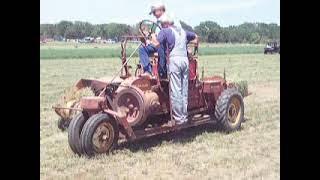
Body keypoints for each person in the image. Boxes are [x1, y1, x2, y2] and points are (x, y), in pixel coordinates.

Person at [150, 13, 198, 125]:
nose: (161, 25)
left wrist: (152, 37)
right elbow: (196, 38)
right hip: (185, 60)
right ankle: (184, 116)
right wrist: (192, 51)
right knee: (184, 89)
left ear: (166, 23)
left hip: (175, 61)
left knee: (176, 90)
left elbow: (157, 44)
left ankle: (179, 119)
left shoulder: (165, 31)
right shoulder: (183, 32)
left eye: (162, 24)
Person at [139, 1, 182, 78]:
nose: (154, 14)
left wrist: (155, 39)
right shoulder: (158, 21)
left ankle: (162, 73)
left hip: (170, 45)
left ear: (161, 10)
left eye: (154, 12)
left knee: (161, 46)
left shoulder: (169, 18)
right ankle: (148, 71)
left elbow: (175, 32)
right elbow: (156, 36)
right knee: (143, 49)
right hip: (158, 44)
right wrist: (149, 39)